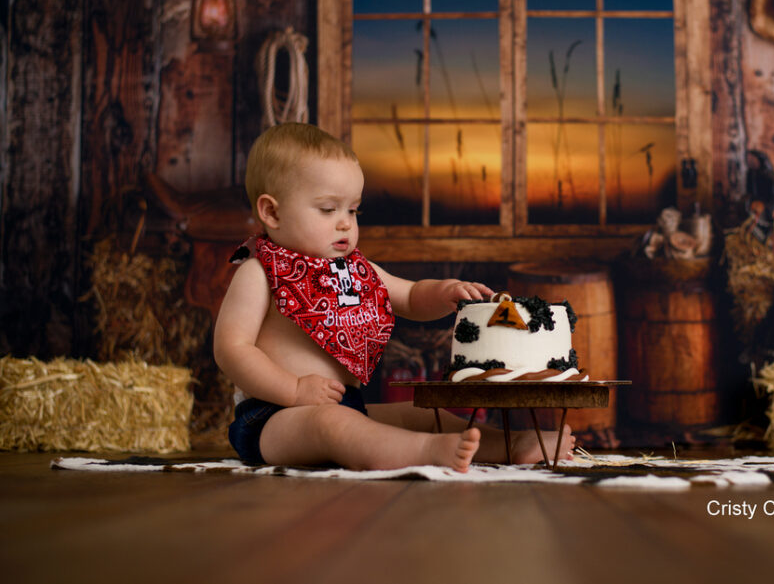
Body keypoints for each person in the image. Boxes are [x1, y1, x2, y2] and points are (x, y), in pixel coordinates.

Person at [214, 122, 574, 472]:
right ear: (272, 212)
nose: (345, 223)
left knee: (413, 413)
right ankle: (424, 451)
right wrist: (293, 390)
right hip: (274, 417)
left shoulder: (356, 270)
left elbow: (411, 296)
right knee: (332, 425)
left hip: (348, 404)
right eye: (328, 209)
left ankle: (510, 445)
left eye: (353, 210)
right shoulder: (260, 272)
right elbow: (232, 348)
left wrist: (443, 291)